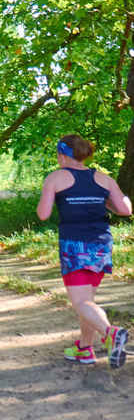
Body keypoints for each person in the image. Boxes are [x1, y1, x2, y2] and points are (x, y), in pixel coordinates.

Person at [37, 134, 131, 368]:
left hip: (74, 245)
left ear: (62, 155)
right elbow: (125, 209)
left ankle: (110, 333)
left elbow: (43, 214)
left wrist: (49, 195)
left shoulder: (56, 178)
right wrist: (108, 201)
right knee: (87, 300)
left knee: (80, 302)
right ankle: (84, 349)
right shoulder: (103, 179)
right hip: (101, 243)